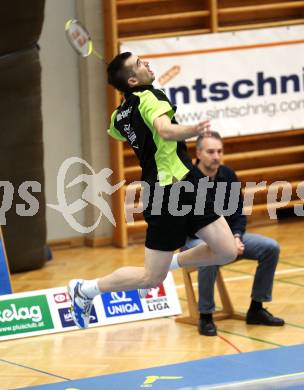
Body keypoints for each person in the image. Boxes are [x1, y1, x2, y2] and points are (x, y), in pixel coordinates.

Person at [67, 52, 237, 329]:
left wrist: (132, 101)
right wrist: (191, 129)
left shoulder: (118, 115)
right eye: (138, 64)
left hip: (187, 182)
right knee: (149, 279)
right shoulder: (151, 97)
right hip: (165, 193)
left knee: (226, 251)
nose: (146, 63)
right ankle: (86, 289)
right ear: (133, 79)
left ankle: (168, 264)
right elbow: (165, 131)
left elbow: (118, 132)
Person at [183, 131, 284, 336]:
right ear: (199, 153)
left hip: (229, 237)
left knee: (270, 248)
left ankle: (256, 309)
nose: (216, 156)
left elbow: (238, 212)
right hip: (195, 241)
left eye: (219, 151)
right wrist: (221, 243)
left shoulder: (228, 175)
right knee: (209, 256)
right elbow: (186, 222)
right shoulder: (187, 180)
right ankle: (205, 316)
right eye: (211, 151)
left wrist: (236, 237)